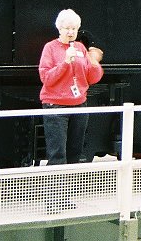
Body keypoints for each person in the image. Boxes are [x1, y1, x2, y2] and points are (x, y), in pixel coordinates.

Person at [39, 9, 104, 165]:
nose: (70, 32)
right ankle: (55, 187)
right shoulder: (50, 48)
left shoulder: (81, 48)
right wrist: (65, 63)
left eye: (74, 29)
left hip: (79, 106)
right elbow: (46, 78)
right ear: (59, 29)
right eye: (67, 28)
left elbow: (92, 78)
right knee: (57, 154)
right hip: (56, 107)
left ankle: (71, 187)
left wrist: (95, 63)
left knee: (75, 152)